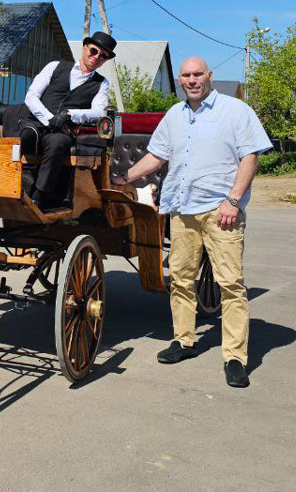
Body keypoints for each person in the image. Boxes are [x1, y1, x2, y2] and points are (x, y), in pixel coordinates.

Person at [112, 57, 272, 388]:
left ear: (209, 76)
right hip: (182, 209)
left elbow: (250, 156)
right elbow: (156, 156)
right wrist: (124, 178)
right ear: (180, 81)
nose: (192, 79)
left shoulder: (235, 111)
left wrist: (232, 200)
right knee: (182, 280)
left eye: (198, 74)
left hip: (220, 211)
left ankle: (234, 357)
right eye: (186, 75)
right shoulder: (174, 115)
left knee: (230, 284)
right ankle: (184, 341)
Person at [20, 31, 115, 210]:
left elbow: (99, 111)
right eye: (94, 51)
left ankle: (39, 196)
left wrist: (71, 114)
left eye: (103, 56)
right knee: (25, 136)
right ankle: (16, 185)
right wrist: (48, 118)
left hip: (62, 130)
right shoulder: (55, 66)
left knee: (58, 143)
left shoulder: (102, 84)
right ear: (85, 47)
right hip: (36, 123)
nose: (96, 57)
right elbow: (31, 96)